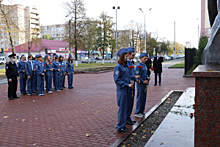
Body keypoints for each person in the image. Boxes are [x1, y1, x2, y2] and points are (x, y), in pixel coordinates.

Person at [114, 48, 134, 133]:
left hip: (127, 89)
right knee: (122, 109)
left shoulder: (125, 66)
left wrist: (131, 81)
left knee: (125, 107)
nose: (127, 58)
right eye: (126, 56)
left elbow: (127, 76)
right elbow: (117, 80)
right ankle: (120, 126)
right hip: (122, 90)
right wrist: (127, 84)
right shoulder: (118, 67)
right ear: (122, 57)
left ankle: (123, 124)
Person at [126, 47, 139, 125]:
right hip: (128, 85)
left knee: (131, 102)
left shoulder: (131, 63)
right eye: (133, 55)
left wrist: (135, 78)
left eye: (134, 55)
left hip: (132, 84)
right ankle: (126, 117)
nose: (134, 56)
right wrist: (132, 79)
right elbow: (126, 75)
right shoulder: (126, 64)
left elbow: (132, 73)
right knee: (128, 102)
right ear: (128, 54)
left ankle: (128, 117)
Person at [135, 53, 149, 118]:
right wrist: (143, 81)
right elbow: (137, 76)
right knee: (140, 97)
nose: (146, 60)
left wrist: (147, 77)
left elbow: (145, 74)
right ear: (140, 58)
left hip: (145, 84)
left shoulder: (144, 65)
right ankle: (137, 112)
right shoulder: (138, 66)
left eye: (146, 58)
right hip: (140, 84)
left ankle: (142, 110)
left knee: (143, 97)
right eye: (144, 58)